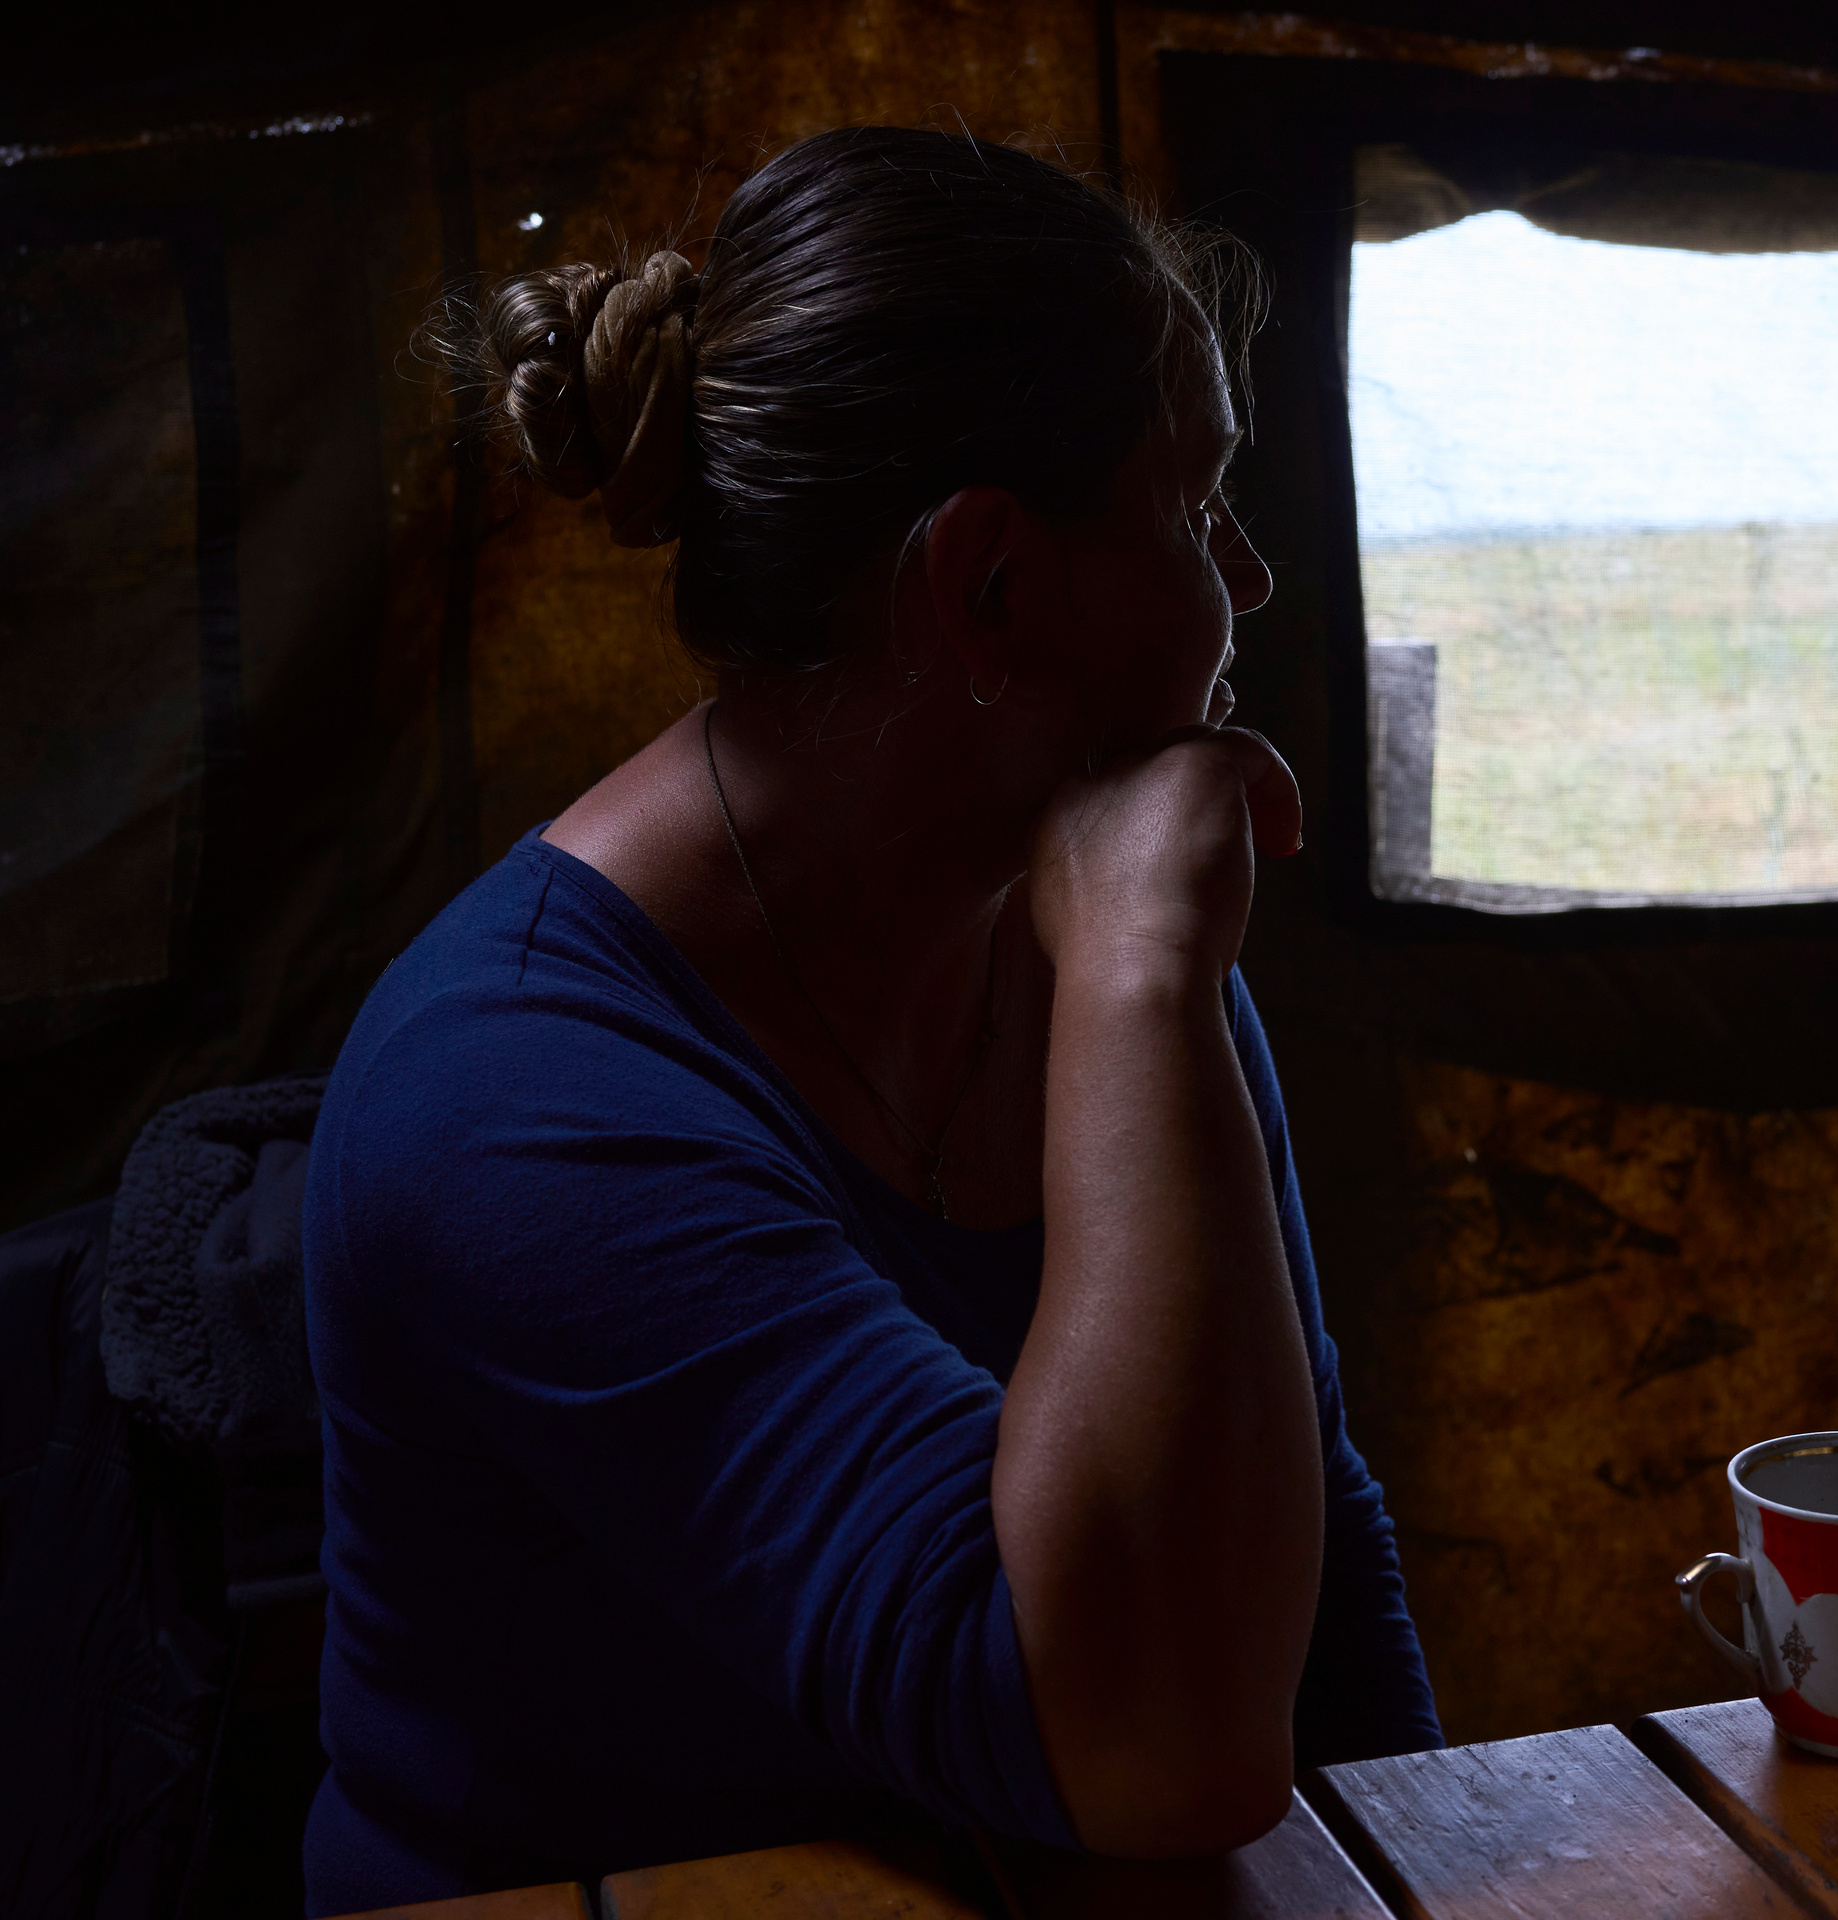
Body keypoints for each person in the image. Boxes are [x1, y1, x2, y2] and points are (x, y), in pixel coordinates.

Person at [299, 126, 1440, 1914]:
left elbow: (1308, 1543)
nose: (1254, 580)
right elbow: (1156, 1738)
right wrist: (1146, 976)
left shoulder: (1073, 923)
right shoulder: (507, 1092)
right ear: (986, 585)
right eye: (1199, 503)